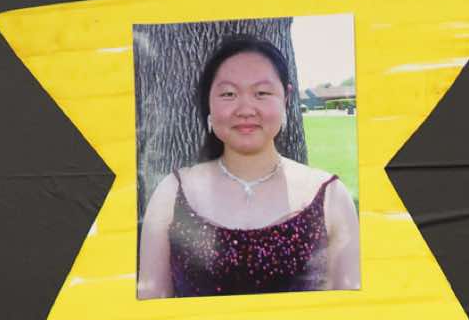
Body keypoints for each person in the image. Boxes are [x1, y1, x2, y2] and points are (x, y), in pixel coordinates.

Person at [136, 33, 361, 298]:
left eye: (262, 93)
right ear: (208, 102)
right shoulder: (172, 192)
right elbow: (150, 307)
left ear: (286, 98)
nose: (245, 109)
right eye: (228, 94)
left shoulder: (330, 196)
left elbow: (352, 310)